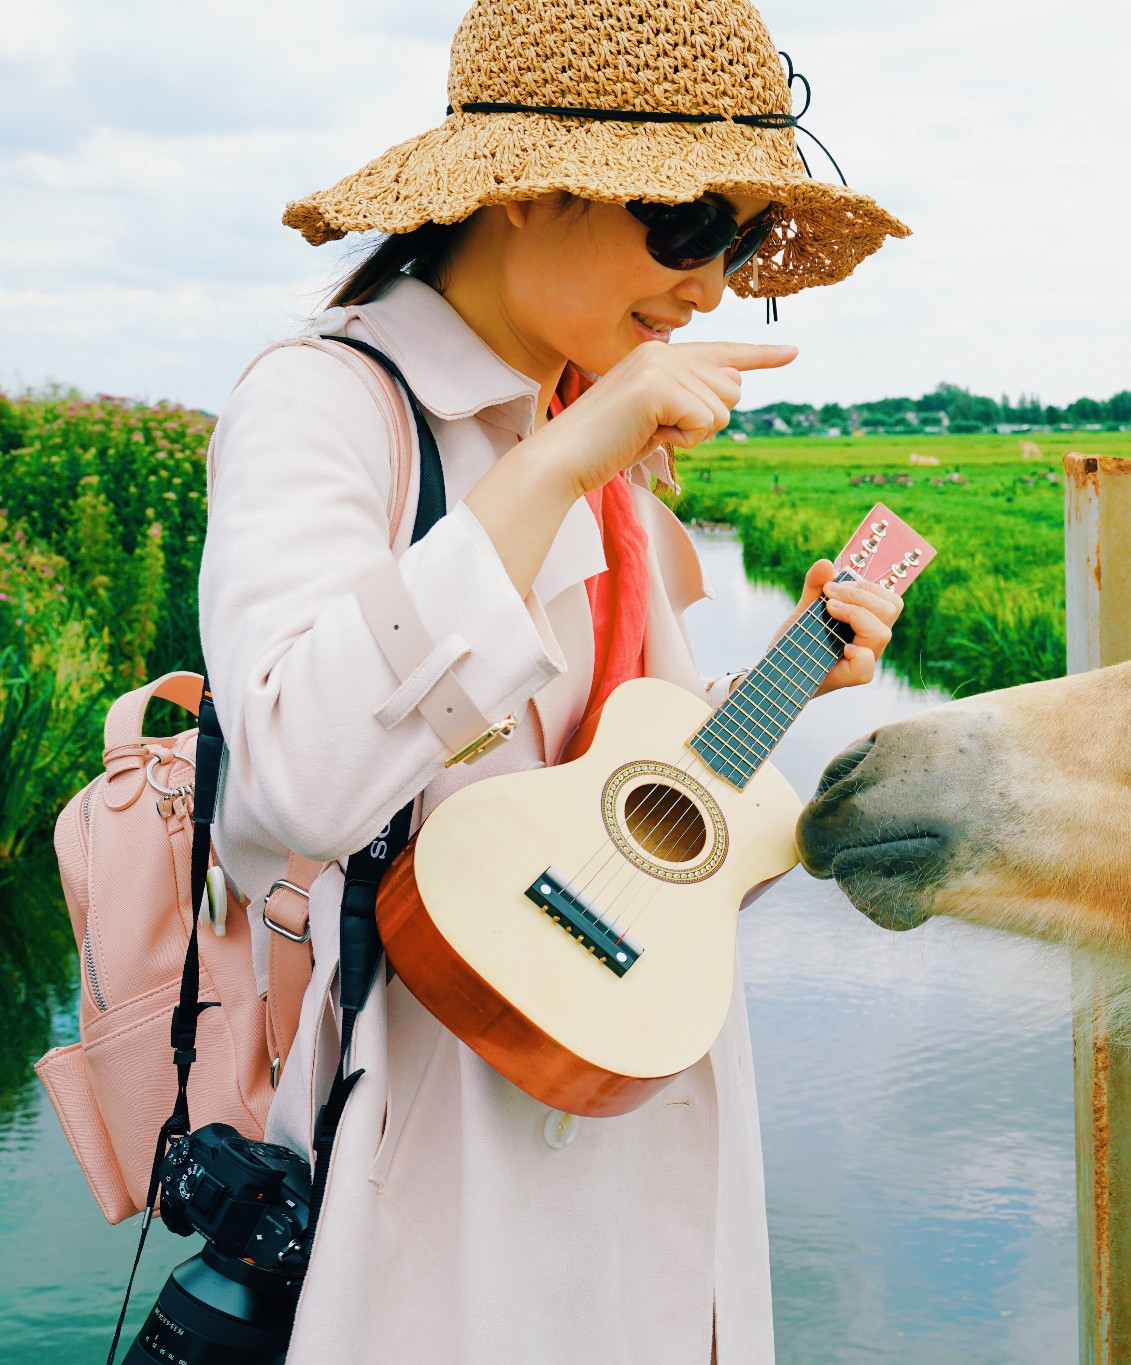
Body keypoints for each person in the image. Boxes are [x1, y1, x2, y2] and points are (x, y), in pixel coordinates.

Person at [197, 0, 910, 1359]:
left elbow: (631, 795)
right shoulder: (326, 404)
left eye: (740, 242)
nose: (709, 286)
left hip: (649, 1092)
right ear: (527, 187)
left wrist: (789, 678)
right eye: (691, 223)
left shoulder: (612, 447)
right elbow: (296, 782)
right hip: (434, 1140)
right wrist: (563, 460)